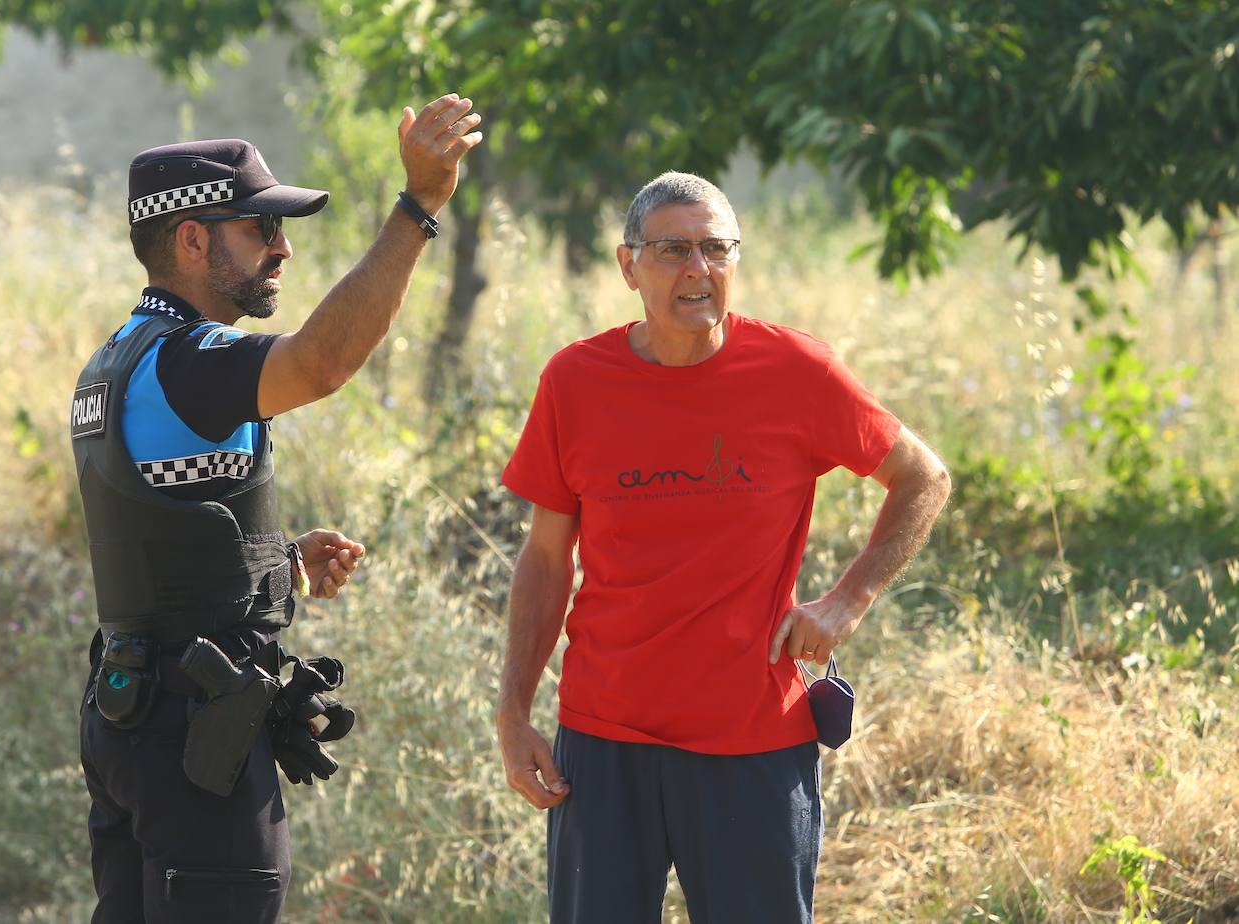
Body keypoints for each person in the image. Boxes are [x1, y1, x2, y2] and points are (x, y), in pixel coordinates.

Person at [496, 171, 952, 924]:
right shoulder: (576, 381)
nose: (697, 271)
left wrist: (849, 600)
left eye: (716, 249)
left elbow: (923, 478)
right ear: (627, 265)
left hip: (753, 742)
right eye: (673, 249)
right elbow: (546, 559)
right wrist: (513, 713)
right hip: (604, 743)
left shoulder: (796, 370)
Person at [71, 94, 483, 924]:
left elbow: (157, 534)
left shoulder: (119, 357)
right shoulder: (192, 357)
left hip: (132, 716)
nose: (283, 248)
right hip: (193, 737)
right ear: (192, 239)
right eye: (261, 229)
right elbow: (325, 362)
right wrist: (418, 209)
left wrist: (278, 557)